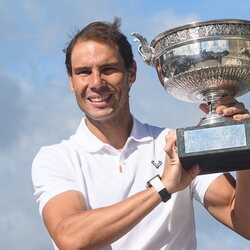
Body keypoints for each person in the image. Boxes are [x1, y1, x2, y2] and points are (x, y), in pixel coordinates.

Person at [32, 17, 250, 250]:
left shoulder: (174, 144)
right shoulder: (56, 158)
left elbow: (245, 225)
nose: (96, 82)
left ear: (131, 73)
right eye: (84, 72)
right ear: (71, 82)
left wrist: (244, 147)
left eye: (108, 69)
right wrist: (162, 187)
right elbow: (71, 238)